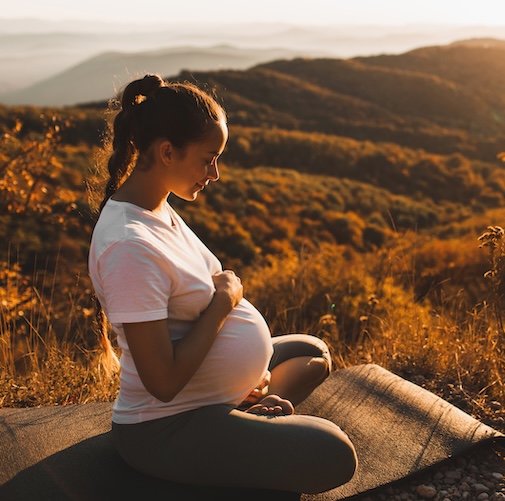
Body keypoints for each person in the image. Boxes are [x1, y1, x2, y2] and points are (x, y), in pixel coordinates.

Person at [88, 74, 357, 494]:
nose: (215, 173)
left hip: (207, 394)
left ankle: (247, 408)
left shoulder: (158, 207)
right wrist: (225, 301)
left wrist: (239, 370)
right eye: (208, 158)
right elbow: (162, 383)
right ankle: (240, 421)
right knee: (335, 452)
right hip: (166, 427)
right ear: (167, 152)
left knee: (313, 352)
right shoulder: (128, 246)